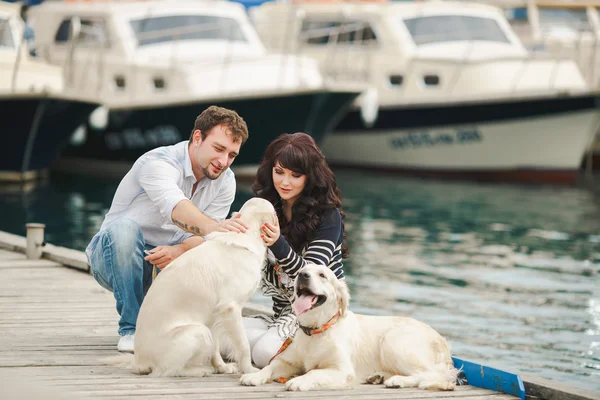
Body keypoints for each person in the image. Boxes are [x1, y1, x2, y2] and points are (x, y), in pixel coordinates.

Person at [86, 106, 249, 353]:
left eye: (232, 155)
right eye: (218, 149)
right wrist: (216, 228)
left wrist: (181, 249)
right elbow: (176, 209)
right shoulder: (158, 162)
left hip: (165, 261)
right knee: (125, 229)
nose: (224, 162)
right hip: (113, 256)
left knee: (218, 250)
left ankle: (196, 330)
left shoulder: (226, 181)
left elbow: (204, 239)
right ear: (197, 138)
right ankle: (132, 330)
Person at [246, 132, 349, 368]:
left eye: (295, 175)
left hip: (319, 319)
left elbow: (309, 275)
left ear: (309, 177)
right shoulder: (267, 208)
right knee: (220, 338)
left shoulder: (328, 216)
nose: (285, 182)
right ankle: (284, 347)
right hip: (281, 315)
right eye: (279, 172)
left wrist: (277, 243)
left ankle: (310, 356)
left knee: (262, 354)